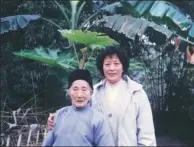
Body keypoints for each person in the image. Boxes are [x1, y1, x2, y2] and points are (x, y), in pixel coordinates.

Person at [47, 46, 157, 146]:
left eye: (116, 64)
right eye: (107, 64)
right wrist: (56, 119)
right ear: (102, 67)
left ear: (123, 67)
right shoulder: (92, 92)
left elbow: (147, 136)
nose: (111, 68)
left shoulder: (137, 93)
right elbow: (77, 115)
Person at [42, 69, 115, 146]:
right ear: (69, 92)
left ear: (91, 93)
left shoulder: (98, 119)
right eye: (75, 89)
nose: (79, 95)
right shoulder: (59, 115)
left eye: (84, 89)